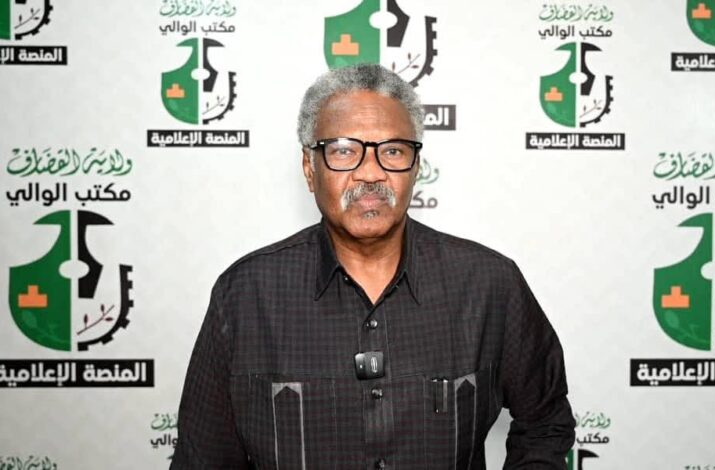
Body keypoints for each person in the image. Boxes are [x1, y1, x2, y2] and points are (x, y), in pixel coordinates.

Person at [171, 64, 574, 469]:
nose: (370, 172)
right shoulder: (245, 296)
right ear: (310, 169)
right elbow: (202, 458)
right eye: (344, 150)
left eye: (393, 151)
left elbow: (546, 422)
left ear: (416, 167)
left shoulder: (488, 285)